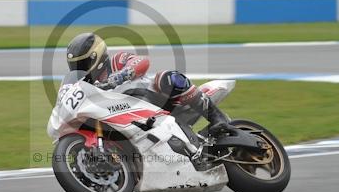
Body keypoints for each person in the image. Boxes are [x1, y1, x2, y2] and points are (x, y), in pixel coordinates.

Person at [66, 32, 229, 131]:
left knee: (167, 77)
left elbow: (142, 61)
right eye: (76, 65)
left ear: (97, 56)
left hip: (158, 102)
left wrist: (121, 75)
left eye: (82, 63)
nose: (79, 68)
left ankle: (217, 118)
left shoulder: (116, 61)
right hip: (127, 119)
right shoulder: (86, 84)